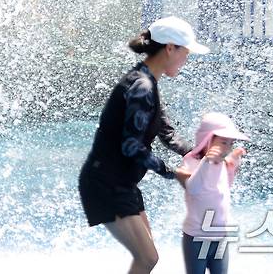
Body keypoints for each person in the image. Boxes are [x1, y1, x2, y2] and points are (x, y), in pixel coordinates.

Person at [78, 16, 210, 274]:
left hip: (122, 183)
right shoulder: (142, 87)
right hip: (105, 183)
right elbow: (131, 146)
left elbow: (167, 133)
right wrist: (173, 173)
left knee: (150, 257)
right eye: (186, 52)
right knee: (147, 258)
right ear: (170, 48)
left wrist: (198, 152)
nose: (187, 59)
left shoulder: (148, 81)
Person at [180, 112, 249, 274]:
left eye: (230, 143)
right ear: (207, 140)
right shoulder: (192, 161)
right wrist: (206, 162)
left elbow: (222, 191)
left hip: (220, 236)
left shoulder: (222, 164)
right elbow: (193, 189)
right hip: (196, 237)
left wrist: (233, 166)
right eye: (223, 142)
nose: (227, 148)